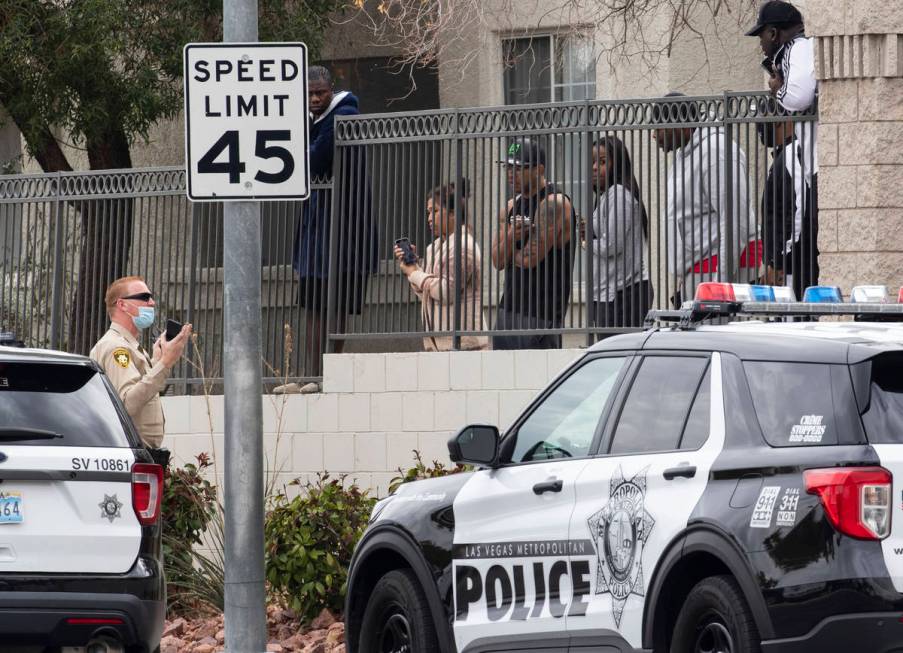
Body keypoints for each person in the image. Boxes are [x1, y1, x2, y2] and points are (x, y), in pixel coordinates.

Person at [288, 65, 376, 393]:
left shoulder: (344, 114)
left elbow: (316, 159)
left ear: (331, 89)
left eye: (320, 93)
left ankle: (327, 378)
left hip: (344, 228)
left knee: (335, 304)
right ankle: (310, 376)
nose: (314, 99)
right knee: (313, 304)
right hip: (317, 227)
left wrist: (290, 151)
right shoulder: (313, 119)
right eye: (309, 93)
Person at [652, 93, 758, 306]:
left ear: (679, 124)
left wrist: (721, 282)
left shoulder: (716, 151)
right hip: (701, 269)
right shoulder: (688, 153)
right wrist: (684, 268)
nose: (654, 135)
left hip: (718, 268)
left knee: (711, 338)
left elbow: (734, 218)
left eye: (659, 127)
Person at [747, 0, 819, 288]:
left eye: (762, 36)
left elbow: (798, 96)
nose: (762, 44)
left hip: (819, 167)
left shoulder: (795, 48)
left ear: (774, 33)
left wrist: (778, 91)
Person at [490, 138, 576, 350]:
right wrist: (512, 238)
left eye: (518, 168)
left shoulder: (553, 203)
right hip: (508, 309)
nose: (511, 173)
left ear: (539, 169)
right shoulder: (510, 207)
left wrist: (508, 248)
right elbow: (496, 261)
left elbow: (529, 259)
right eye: (508, 167)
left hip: (541, 314)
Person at [90, 276, 192, 452]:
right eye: (144, 297)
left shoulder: (129, 345)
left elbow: (138, 384)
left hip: (137, 451)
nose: (152, 303)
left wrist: (157, 361)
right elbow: (128, 403)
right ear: (122, 305)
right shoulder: (117, 348)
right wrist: (165, 363)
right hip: (129, 451)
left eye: (151, 297)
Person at [394, 180, 488, 352]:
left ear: (453, 213)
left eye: (435, 211)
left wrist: (414, 273)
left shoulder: (463, 246)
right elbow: (427, 294)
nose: (429, 218)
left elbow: (446, 292)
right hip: (438, 345)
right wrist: (413, 267)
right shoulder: (434, 248)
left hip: (465, 346)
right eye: (428, 212)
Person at [587, 136, 653, 328]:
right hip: (613, 294)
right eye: (592, 162)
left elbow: (612, 245)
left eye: (602, 161)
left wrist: (587, 243)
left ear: (618, 165)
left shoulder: (619, 194)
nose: (594, 167)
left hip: (624, 294)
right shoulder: (608, 196)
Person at [757, 119, 817, 298]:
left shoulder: (793, 154)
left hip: (793, 269)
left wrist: (778, 261)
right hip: (784, 266)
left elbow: (799, 211)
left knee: (794, 321)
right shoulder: (783, 155)